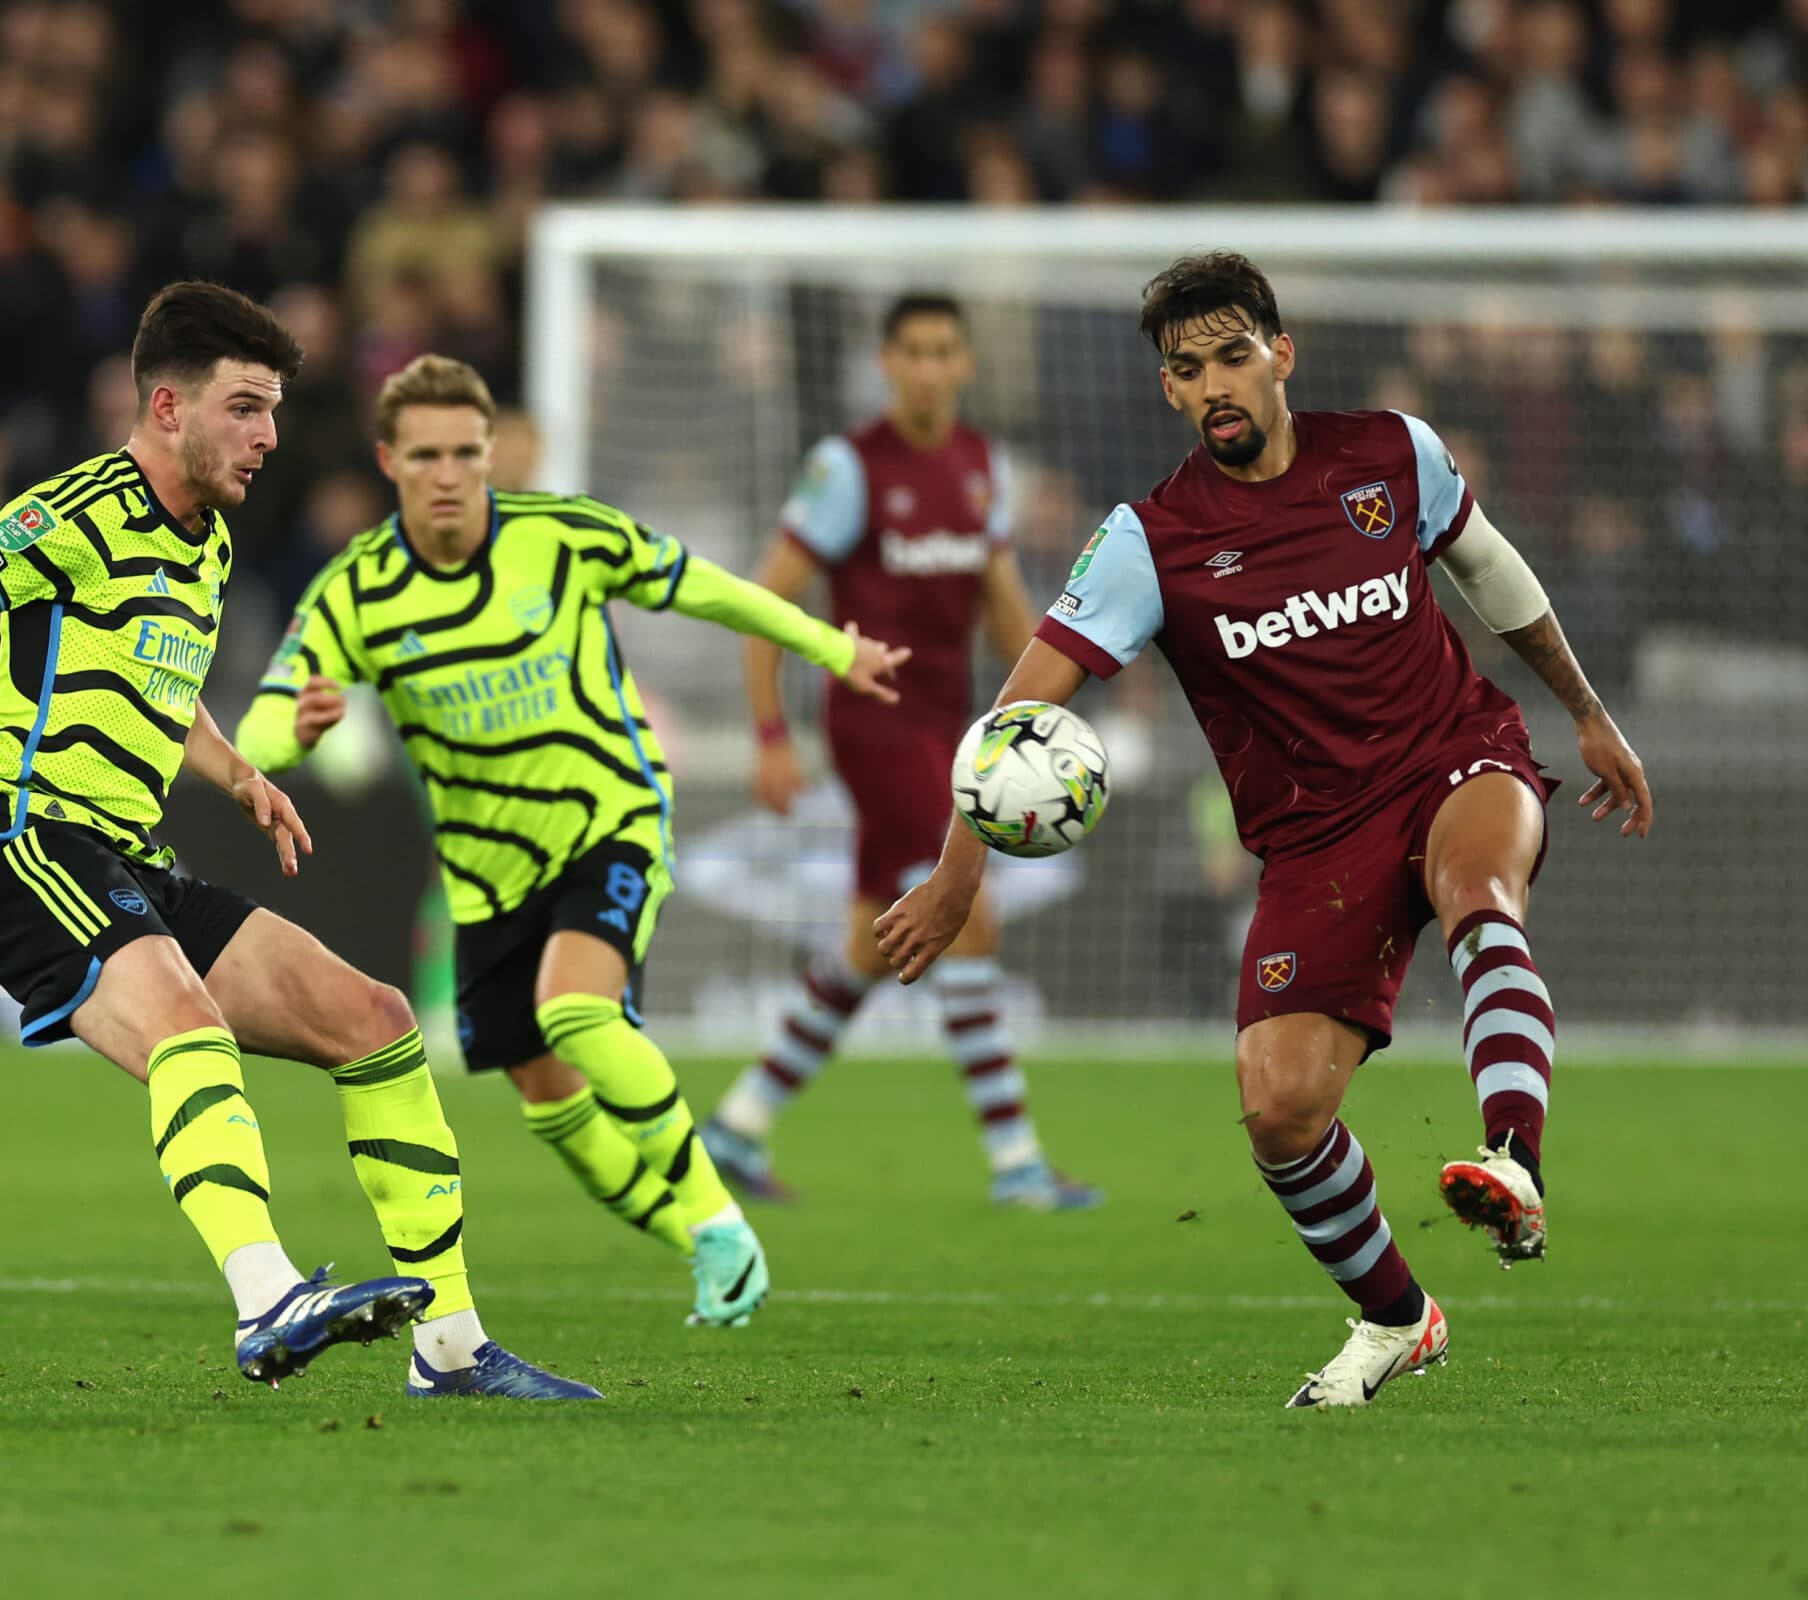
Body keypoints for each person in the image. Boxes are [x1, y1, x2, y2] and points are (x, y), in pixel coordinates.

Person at [874, 252, 1652, 1408]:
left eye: (1234, 355)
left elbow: (1493, 573)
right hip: (1314, 839)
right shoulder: (1151, 541)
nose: (1214, 383)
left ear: (1282, 355)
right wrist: (954, 880)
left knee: (1481, 892)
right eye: (1186, 370)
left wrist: (1587, 714)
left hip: (1455, 755)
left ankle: (1513, 1162)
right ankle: (1398, 1317)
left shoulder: (1393, 452)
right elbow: (1020, 715)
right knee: (1279, 1109)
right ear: (1170, 394)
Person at [0, 283, 592, 1400]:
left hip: (126, 854)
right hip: (24, 842)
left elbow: (156, 677)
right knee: (188, 1026)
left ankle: (452, 1350)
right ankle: (265, 1297)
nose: (269, 436)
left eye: (275, 410)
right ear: (167, 406)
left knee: (378, 1023)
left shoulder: (209, 542)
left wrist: (235, 767)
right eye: (244, 407)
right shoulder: (80, 511)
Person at [234, 355, 908, 1328]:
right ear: (390, 460)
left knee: (577, 1010)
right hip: (486, 875)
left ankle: (720, 1217)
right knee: (550, 1103)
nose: (451, 472)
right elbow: (263, 719)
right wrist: (287, 735)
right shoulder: (357, 591)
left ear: (489, 452)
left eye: (467, 451)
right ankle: (703, 1249)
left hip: (610, 817)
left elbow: (709, 589)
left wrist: (835, 648)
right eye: (426, 455)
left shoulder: (563, 536)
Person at [699, 292, 1101, 1210]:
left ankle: (736, 1125)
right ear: (888, 362)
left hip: (951, 725)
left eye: (943, 351)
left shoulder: (977, 464)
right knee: (967, 912)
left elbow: (1001, 604)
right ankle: (1016, 1164)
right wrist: (769, 733)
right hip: (873, 725)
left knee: (868, 943)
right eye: (911, 351)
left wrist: (1075, 673)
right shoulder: (848, 467)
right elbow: (766, 602)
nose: (927, 367)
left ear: (963, 363)